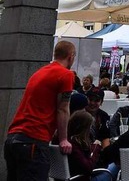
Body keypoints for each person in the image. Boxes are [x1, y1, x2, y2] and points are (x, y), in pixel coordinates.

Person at [4, 40, 76, 180]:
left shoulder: (39, 72)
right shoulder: (66, 74)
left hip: (13, 139)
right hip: (34, 141)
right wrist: (63, 139)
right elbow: (63, 108)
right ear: (71, 56)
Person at [66, 110, 102, 181]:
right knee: (114, 168)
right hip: (81, 177)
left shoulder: (65, 141)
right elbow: (88, 167)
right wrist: (95, 148)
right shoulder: (74, 145)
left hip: (69, 176)